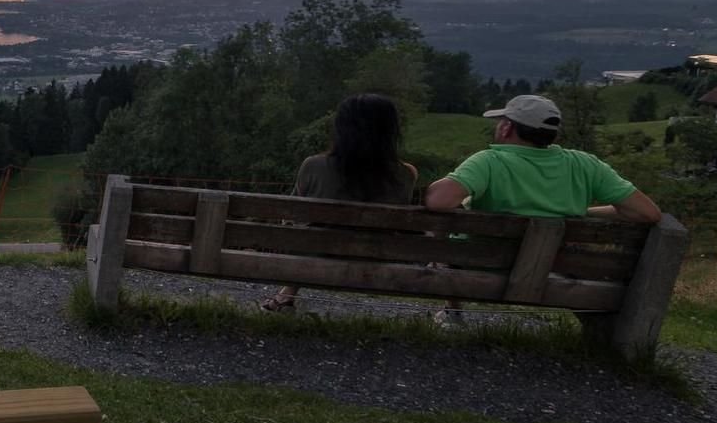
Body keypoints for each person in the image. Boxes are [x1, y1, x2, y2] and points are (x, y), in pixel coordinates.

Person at [260, 93, 418, 313]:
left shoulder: (313, 166)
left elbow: (293, 213)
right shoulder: (406, 174)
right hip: (376, 257)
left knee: (307, 234)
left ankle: (286, 294)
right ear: (389, 131)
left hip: (315, 256)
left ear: (342, 128)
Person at [423, 94, 662, 223]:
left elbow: (438, 201)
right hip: (553, 268)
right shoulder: (585, 164)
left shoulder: (489, 161)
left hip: (479, 263)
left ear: (506, 129)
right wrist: (580, 213)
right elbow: (647, 213)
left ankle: (454, 313)